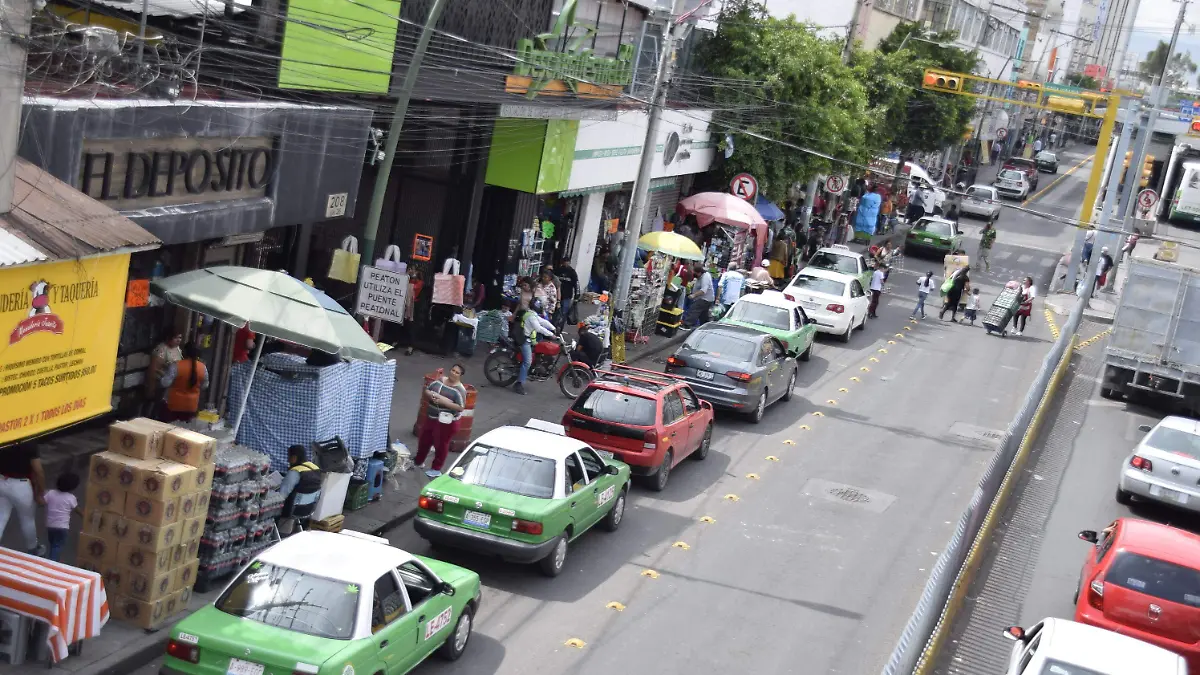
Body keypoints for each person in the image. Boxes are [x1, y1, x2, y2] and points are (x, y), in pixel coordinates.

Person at [414, 363, 468, 476]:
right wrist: (432, 395)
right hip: (431, 417)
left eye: (457, 372)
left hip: (447, 422)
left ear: (460, 375)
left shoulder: (460, 390)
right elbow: (428, 390)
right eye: (453, 370)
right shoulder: (440, 380)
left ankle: (436, 469)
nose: (454, 373)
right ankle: (418, 461)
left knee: (441, 444)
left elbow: (460, 407)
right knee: (425, 439)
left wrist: (444, 402)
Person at [0, 443, 45, 556]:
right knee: (27, 519)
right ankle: (33, 548)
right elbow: (38, 471)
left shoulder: (5, 435)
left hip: (2, 480)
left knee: (1, 516)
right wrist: (40, 493)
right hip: (21, 485)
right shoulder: (29, 444)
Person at [512, 297, 557, 395]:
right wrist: (551, 335)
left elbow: (543, 322)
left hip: (529, 339)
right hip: (524, 340)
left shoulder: (533, 314)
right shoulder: (531, 316)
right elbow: (538, 328)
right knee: (528, 362)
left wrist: (553, 328)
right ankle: (519, 384)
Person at [279, 445, 322, 534]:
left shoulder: (295, 472)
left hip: (291, 511)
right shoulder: (315, 468)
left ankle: (281, 535)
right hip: (308, 509)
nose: (288, 460)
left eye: (289, 457)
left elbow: (282, 495)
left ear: (294, 457)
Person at [160, 343, 209, 422]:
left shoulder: (176, 365)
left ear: (184, 353)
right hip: (191, 406)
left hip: (173, 405)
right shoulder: (203, 367)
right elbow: (205, 385)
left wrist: (162, 374)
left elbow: (165, 383)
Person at [44, 472, 80, 562]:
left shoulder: (51, 493)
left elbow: (42, 501)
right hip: (62, 527)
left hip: (50, 525)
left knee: (53, 544)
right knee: (57, 546)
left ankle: (54, 559)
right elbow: (77, 509)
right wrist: (85, 516)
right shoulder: (71, 498)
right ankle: (52, 563)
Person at [145, 332, 183, 413]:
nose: (178, 340)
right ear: (169, 338)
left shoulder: (177, 349)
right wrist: (151, 388)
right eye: (175, 338)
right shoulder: (161, 349)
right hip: (161, 384)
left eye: (180, 337)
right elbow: (153, 369)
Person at [684, 263, 715, 327]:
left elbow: (703, 290)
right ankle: (704, 326)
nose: (694, 274)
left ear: (699, 272)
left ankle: (687, 324)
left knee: (694, 309)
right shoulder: (701, 276)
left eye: (695, 273)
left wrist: (694, 295)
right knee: (703, 315)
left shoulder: (705, 277)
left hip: (704, 299)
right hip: (707, 299)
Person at [556, 258, 579, 324]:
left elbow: (576, 284)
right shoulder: (558, 271)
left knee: (564, 311)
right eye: (565, 262)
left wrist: (576, 296)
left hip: (567, 295)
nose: (566, 264)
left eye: (567, 262)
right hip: (558, 294)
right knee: (557, 311)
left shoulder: (572, 272)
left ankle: (560, 325)